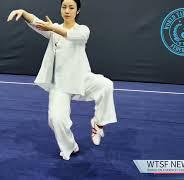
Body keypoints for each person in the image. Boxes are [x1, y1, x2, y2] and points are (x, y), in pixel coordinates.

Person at [7, 0, 117, 160]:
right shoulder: (53, 29)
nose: (67, 10)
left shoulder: (83, 30)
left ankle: (98, 123)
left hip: (82, 79)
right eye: (64, 7)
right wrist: (23, 13)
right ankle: (71, 147)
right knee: (56, 120)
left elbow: (75, 36)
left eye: (71, 7)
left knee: (106, 85)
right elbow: (36, 22)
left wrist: (52, 27)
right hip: (60, 85)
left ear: (77, 11)